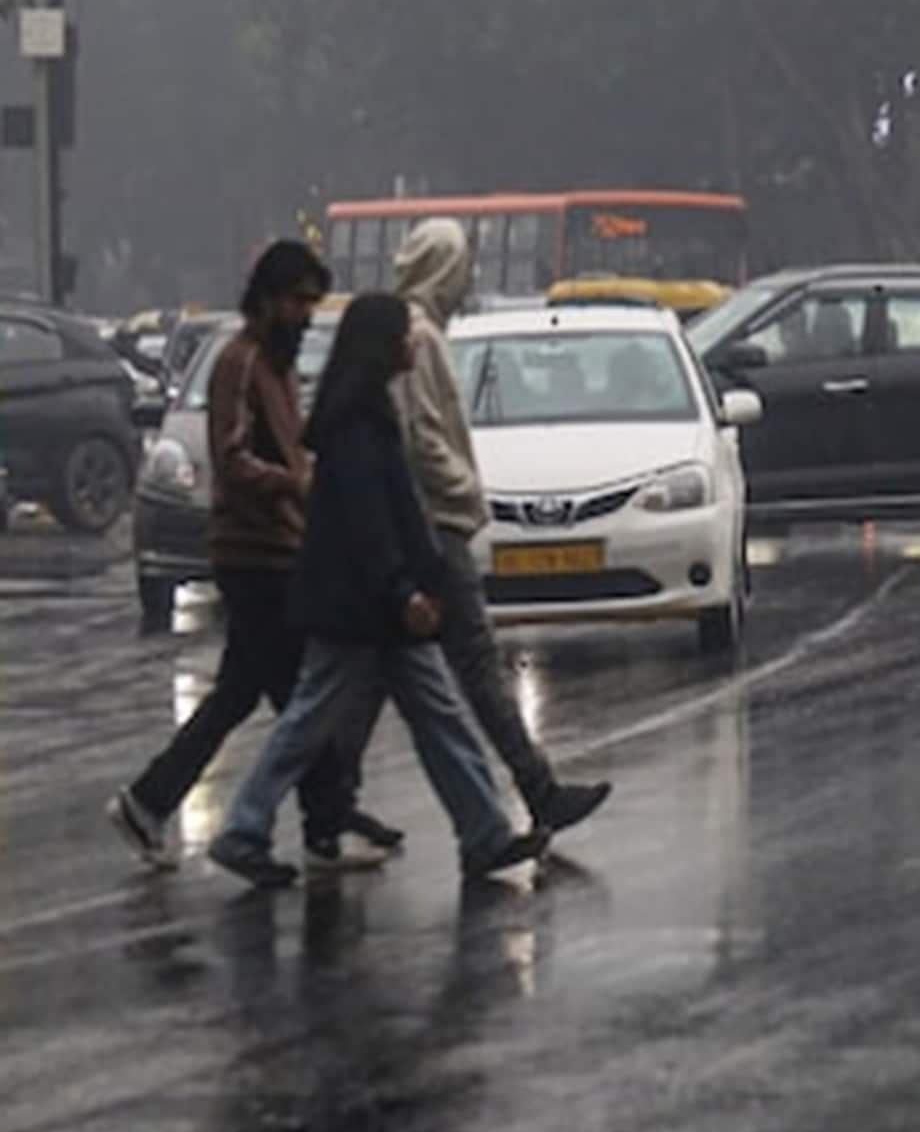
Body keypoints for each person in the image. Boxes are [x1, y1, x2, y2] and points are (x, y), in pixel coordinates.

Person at [208, 294, 549, 889]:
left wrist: (425, 579)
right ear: (381, 346)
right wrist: (404, 592)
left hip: (374, 607)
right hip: (357, 608)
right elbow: (371, 524)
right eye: (403, 334)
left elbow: (401, 515)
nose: (414, 343)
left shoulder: (366, 413)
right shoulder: (357, 424)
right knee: (309, 721)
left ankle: (485, 834)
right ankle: (242, 829)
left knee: (437, 716)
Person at [107, 242, 397, 874]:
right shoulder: (239, 363)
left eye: (311, 304)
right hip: (253, 554)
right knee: (304, 696)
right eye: (295, 301)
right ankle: (308, 825)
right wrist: (295, 486)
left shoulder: (279, 366)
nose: (303, 314)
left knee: (247, 694)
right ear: (265, 299)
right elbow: (233, 459)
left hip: (282, 547)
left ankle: (151, 802)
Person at [389, 220, 610, 835]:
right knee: (476, 668)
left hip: (429, 523)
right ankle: (536, 792)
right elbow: (422, 435)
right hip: (438, 525)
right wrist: (463, 489)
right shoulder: (420, 337)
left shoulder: (420, 332)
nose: (467, 284)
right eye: (461, 270)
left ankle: (328, 807)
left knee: (375, 684)